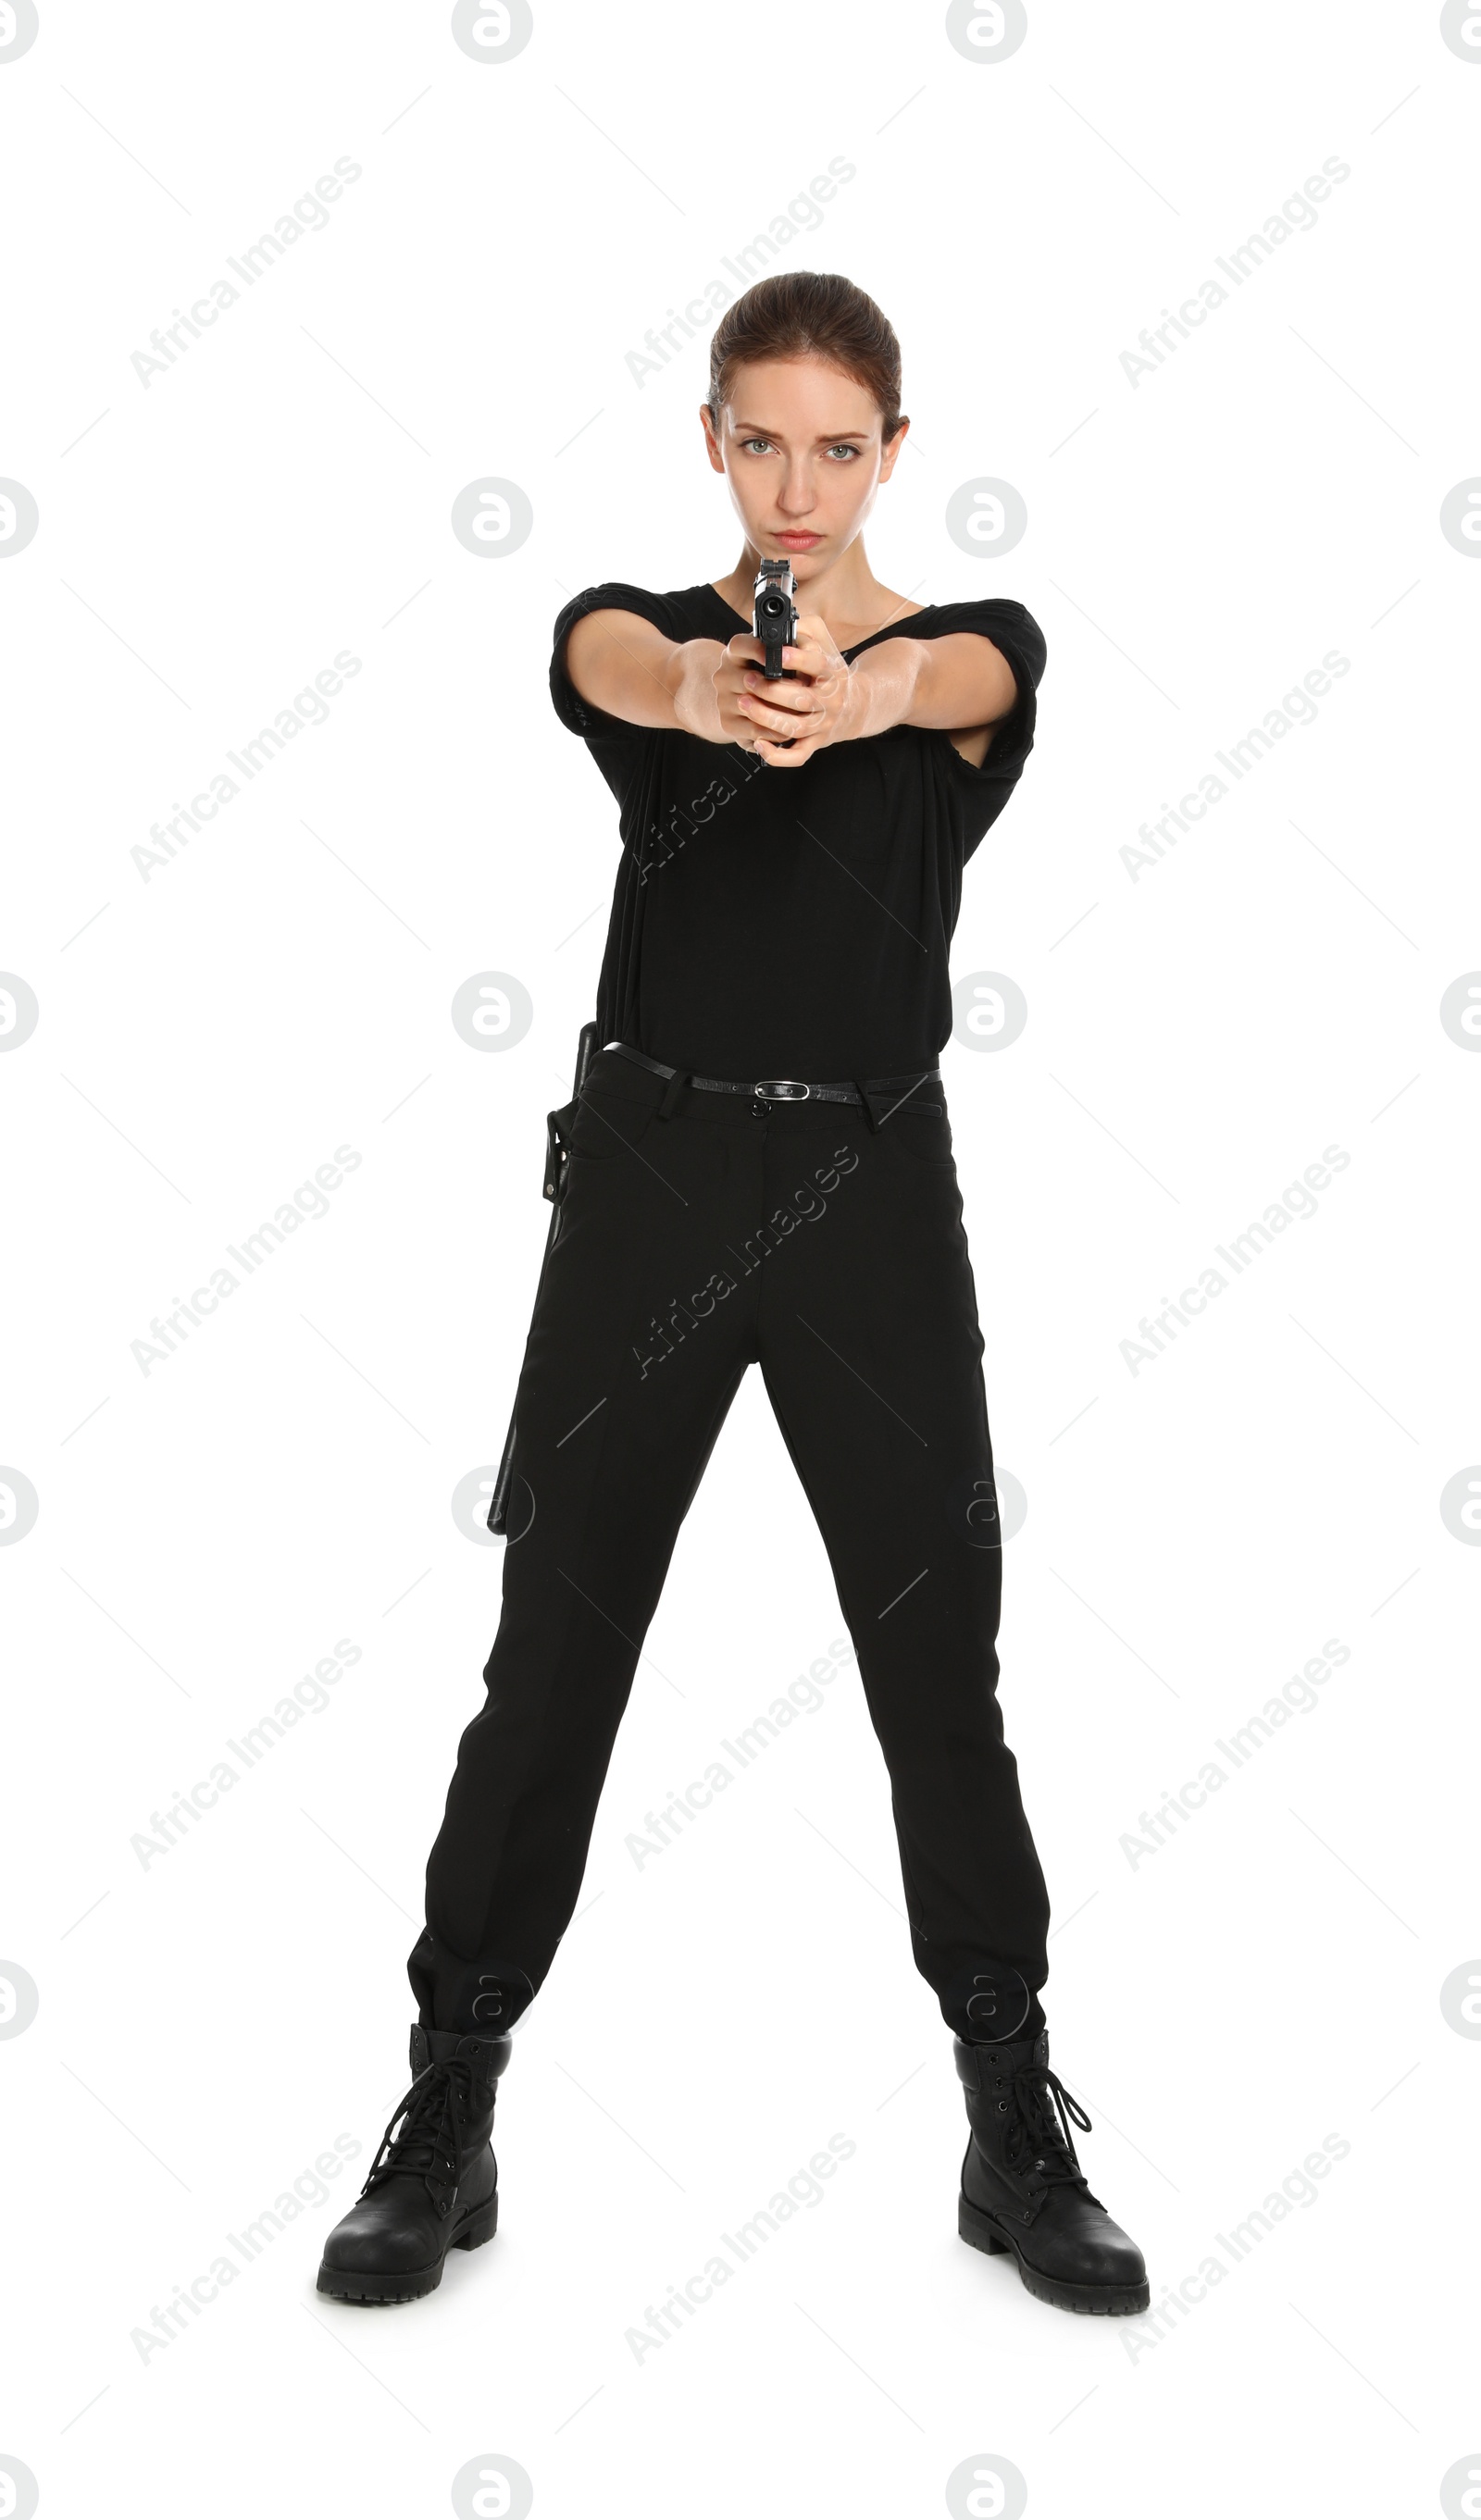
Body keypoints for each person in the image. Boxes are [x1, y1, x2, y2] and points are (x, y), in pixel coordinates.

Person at [317, 271, 1149, 2316]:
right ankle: (448, 2097)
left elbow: (955, 677)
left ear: (892, 452)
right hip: (653, 1187)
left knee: (932, 1669)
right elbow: (597, 649)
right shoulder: (646, 642)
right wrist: (706, 697)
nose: (795, 486)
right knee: (552, 1668)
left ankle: (1006, 2118)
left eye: (836, 447)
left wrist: (851, 695)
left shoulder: (974, 661)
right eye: (757, 440)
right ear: (711, 439)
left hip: (867, 1184)